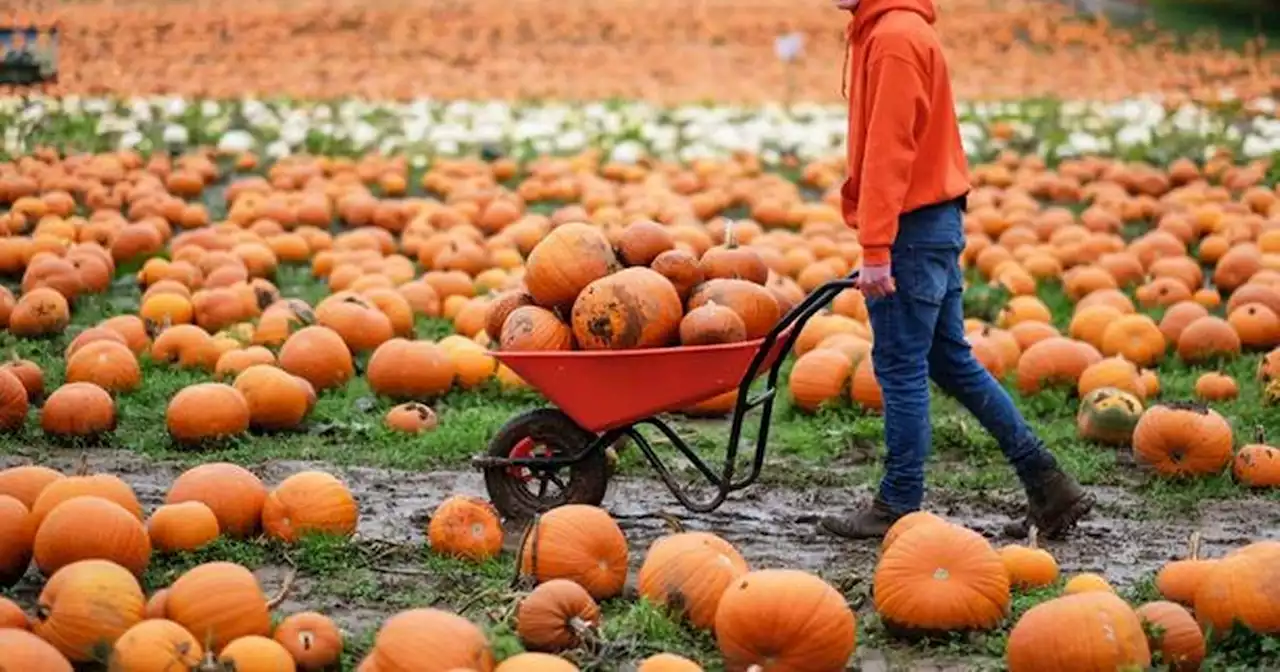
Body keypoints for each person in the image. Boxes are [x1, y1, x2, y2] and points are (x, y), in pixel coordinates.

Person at [819, 0, 1094, 540]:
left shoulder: (894, 38)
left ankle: (898, 502)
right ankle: (1047, 480)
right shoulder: (893, 30)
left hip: (912, 229)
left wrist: (877, 249)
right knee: (950, 361)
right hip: (931, 223)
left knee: (899, 368)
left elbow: (889, 151)